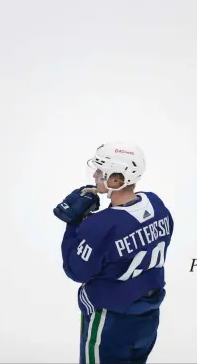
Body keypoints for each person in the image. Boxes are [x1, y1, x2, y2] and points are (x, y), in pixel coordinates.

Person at [53, 141, 175, 364]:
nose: (96, 176)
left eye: (101, 171)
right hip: (148, 318)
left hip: (111, 319)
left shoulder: (100, 225)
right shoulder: (155, 203)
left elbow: (76, 271)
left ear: (117, 178)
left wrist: (75, 223)